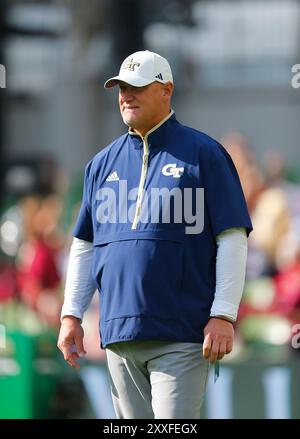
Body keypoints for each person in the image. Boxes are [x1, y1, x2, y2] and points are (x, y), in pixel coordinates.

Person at [57, 50, 253, 419]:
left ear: (167, 90)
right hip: (118, 333)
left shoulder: (204, 154)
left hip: (180, 331)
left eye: (137, 87)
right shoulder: (100, 165)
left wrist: (224, 315)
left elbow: (232, 235)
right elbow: (85, 244)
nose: (125, 96)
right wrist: (71, 315)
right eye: (120, 88)